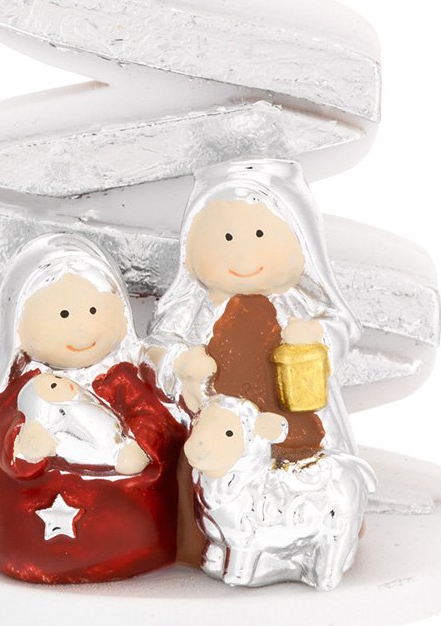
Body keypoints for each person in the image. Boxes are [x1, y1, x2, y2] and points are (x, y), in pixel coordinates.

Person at [146, 158, 362, 566]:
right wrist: (180, 363)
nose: (243, 255)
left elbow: (338, 330)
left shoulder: (297, 302)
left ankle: (302, 542)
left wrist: (316, 334)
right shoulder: (194, 307)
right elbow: (155, 350)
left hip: (291, 422)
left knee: (304, 482)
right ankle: (218, 542)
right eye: (226, 237)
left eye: (260, 234)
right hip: (217, 429)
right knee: (211, 487)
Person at [0, 233, 186, 584]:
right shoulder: (27, 388)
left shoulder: (122, 378)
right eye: (64, 314)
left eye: (94, 311)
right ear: (20, 325)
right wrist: (26, 444)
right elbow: (6, 431)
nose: (82, 329)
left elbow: (155, 420)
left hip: (125, 516)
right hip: (33, 521)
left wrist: (142, 446)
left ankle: (135, 546)